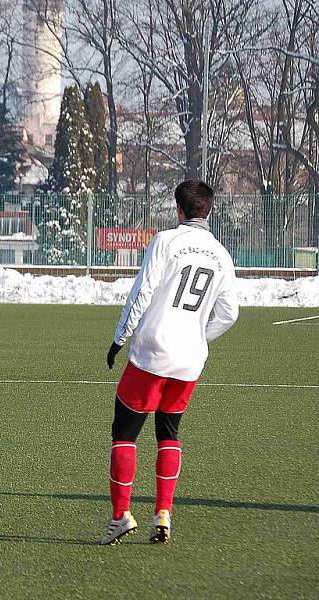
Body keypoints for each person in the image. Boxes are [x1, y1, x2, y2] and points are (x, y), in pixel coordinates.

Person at [100, 180, 239, 546]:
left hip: (152, 352)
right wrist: (197, 337)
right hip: (190, 360)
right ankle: (163, 512)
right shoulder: (222, 255)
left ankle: (120, 515)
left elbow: (142, 292)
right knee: (169, 433)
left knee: (125, 432)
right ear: (208, 210)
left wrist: (119, 338)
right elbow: (229, 314)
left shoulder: (166, 240)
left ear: (178, 209)